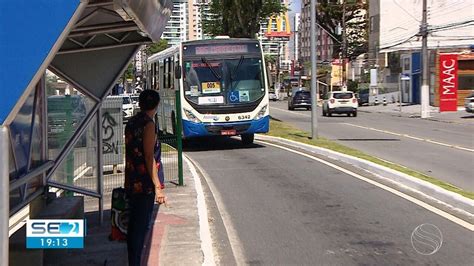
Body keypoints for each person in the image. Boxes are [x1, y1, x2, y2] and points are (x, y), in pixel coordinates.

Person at [124, 90, 166, 266]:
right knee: (141, 228)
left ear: (140, 104)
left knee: (133, 227)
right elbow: (149, 156)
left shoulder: (132, 122)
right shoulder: (148, 125)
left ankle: (133, 260)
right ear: (156, 106)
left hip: (131, 179)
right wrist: (157, 186)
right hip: (144, 182)